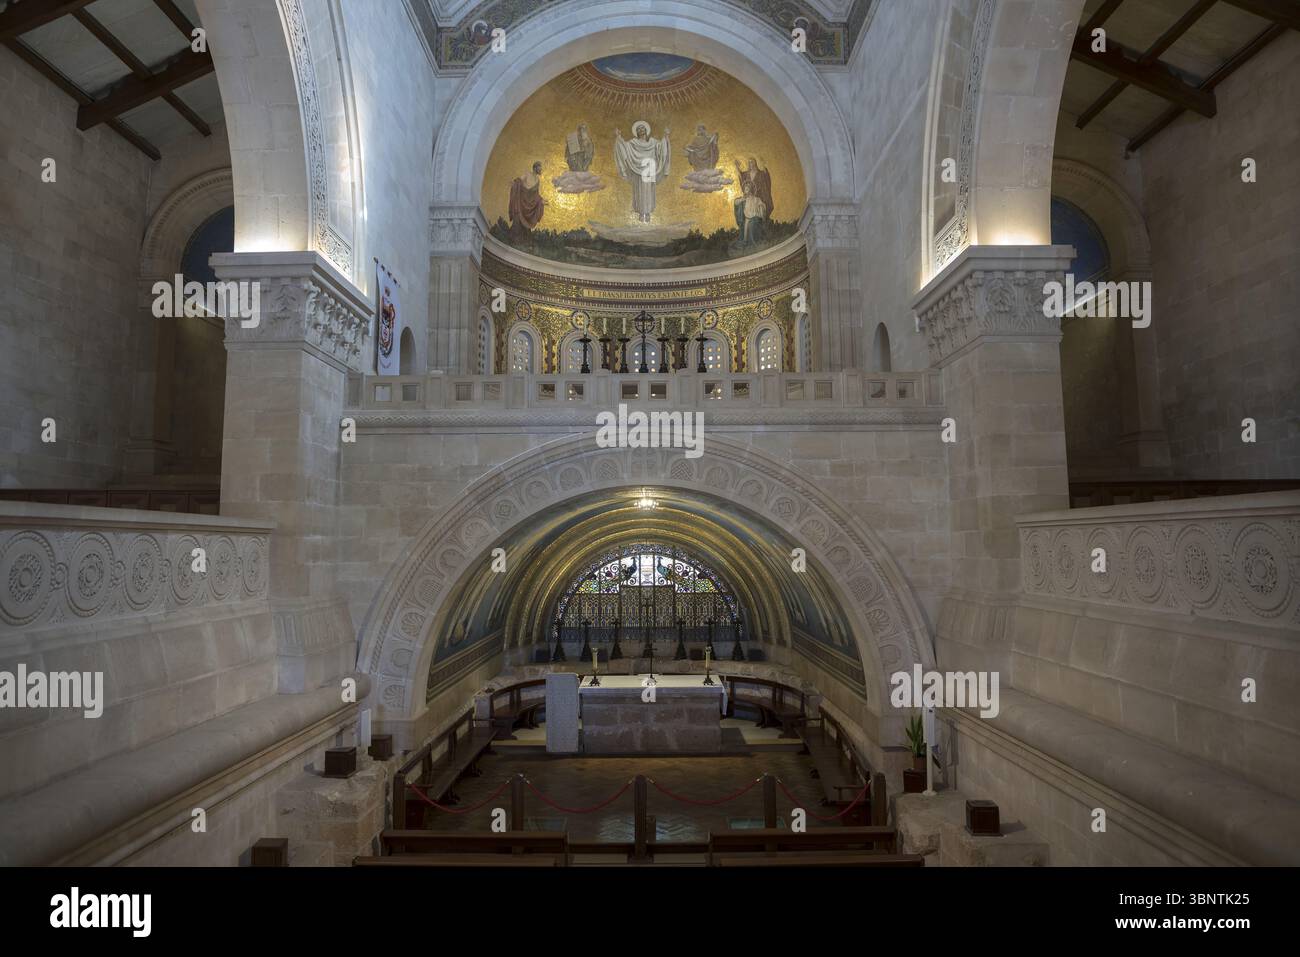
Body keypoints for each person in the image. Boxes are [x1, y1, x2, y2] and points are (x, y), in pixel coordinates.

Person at [614, 122, 671, 222]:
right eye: (639, 129)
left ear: (646, 131)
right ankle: (641, 213)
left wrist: (665, 137)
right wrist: (619, 137)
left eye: (643, 128)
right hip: (637, 171)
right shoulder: (633, 143)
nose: (641, 130)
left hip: (649, 169)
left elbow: (661, 148)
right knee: (639, 191)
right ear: (636, 132)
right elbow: (624, 147)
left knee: (649, 191)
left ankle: (648, 213)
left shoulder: (653, 142)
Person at [508, 160, 545, 241]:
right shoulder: (528, 174)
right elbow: (519, 181)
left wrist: (541, 200)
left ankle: (524, 240)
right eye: (539, 168)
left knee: (526, 228)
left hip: (529, 205)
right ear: (535, 168)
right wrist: (514, 183)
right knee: (517, 222)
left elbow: (535, 195)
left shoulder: (537, 181)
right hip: (521, 202)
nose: (541, 170)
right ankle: (513, 238)